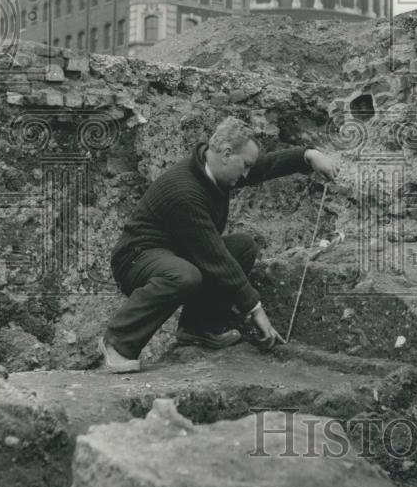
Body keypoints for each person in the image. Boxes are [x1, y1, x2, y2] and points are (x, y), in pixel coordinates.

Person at [99, 116, 338, 373]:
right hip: (136, 258)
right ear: (226, 153)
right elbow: (215, 257)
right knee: (184, 275)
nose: (247, 173)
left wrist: (309, 155)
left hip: (174, 252)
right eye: (245, 165)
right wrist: (255, 309)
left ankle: (199, 328)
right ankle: (118, 342)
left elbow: (265, 166)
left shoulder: (215, 171)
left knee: (243, 247)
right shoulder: (186, 192)